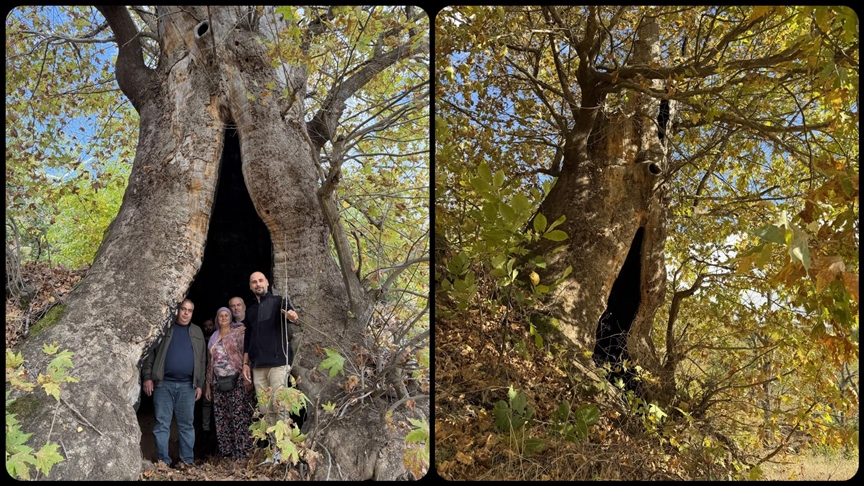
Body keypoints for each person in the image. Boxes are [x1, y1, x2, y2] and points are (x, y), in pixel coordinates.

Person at [142, 299, 206, 467]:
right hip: (163, 385)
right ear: (177, 311)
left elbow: (202, 360)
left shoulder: (197, 332)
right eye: (183, 309)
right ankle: (164, 462)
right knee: (162, 424)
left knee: (186, 425)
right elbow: (150, 353)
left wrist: (199, 384)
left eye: (189, 310)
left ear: (192, 313)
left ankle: (187, 462)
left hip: (187, 386)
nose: (186, 313)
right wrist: (148, 377)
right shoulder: (165, 328)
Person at [241, 271, 298, 429]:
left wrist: (292, 315)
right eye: (254, 282)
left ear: (267, 282)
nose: (258, 284)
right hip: (258, 366)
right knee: (265, 409)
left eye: (260, 280)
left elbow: (291, 314)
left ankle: (283, 448)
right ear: (250, 287)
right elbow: (248, 338)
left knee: (279, 406)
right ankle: (274, 451)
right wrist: (245, 363)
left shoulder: (279, 301)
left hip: (278, 363)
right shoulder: (251, 311)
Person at [204, 307, 255, 460]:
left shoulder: (239, 332)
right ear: (217, 319)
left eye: (227, 315)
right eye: (221, 315)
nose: (224, 318)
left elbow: (247, 353)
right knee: (222, 419)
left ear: (231, 318)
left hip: (238, 380)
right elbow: (209, 363)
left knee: (240, 417)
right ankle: (228, 454)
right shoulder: (213, 337)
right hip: (219, 384)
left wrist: (248, 376)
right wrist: (208, 385)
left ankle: (244, 454)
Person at [199, 319, 216, 435]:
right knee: (207, 401)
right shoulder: (201, 341)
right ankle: (206, 429)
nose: (208, 328)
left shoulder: (218, 338)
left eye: (210, 325)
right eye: (205, 326)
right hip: (205, 374)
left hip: (219, 375)